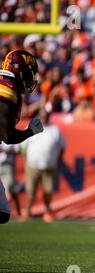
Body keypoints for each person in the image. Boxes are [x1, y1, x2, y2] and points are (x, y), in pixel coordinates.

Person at [0, 49, 43, 224]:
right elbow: (6, 135)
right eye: (29, 74)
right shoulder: (6, 91)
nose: (30, 79)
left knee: (2, 212)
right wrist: (29, 131)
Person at [21, 109, 66, 222]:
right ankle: (28, 212)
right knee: (31, 191)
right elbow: (23, 146)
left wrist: (58, 161)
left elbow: (62, 146)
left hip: (49, 166)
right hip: (32, 165)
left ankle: (47, 212)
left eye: (45, 116)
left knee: (48, 191)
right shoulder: (31, 127)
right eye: (42, 116)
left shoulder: (55, 130)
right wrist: (24, 159)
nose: (44, 118)